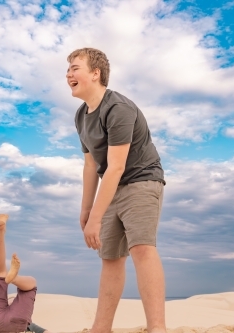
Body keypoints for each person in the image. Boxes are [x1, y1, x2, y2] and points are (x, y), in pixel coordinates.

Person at [66, 48, 167, 333]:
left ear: (95, 73)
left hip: (141, 179)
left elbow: (116, 166)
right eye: (68, 70)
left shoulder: (118, 108)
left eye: (75, 68)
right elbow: (90, 166)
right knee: (109, 257)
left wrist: (96, 218)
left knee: (142, 248)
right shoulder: (80, 116)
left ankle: (157, 327)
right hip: (113, 185)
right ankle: (101, 328)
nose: (68, 74)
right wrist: (86, 211)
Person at [0, 214, 48, 333]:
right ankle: (14, 279)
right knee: (26, 284)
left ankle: (1, 232)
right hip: (17, 325)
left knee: (0, 273)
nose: (10, 302)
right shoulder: (29, 324)